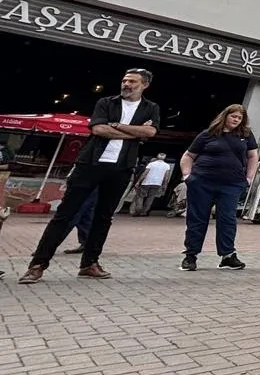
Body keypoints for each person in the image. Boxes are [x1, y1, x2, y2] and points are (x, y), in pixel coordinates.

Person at [21, 68, 160, 284]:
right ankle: (38, 265)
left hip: (121, 168)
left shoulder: (151, 108)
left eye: (132, 81)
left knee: (104, 217)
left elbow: (151, 132)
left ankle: (89, 263)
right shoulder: (106, 102)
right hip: (90, 164)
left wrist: (116, 125)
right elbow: (98, 130)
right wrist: (135, 132)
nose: (126, 84)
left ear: (145, 85)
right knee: (65, 214)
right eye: (124, 80)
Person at [179, 104, 259, 272]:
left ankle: (228, 256)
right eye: (233, 116)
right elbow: (189, 155)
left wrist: (249, 178)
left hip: (232, 184)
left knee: (228, 219)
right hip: (202, 182)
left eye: (240, 118)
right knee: (197, 218)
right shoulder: (208, 134)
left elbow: (253, 156)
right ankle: (190, 256)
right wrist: (187, 176)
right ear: (225, 116)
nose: (236, 120)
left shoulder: (246, 135)